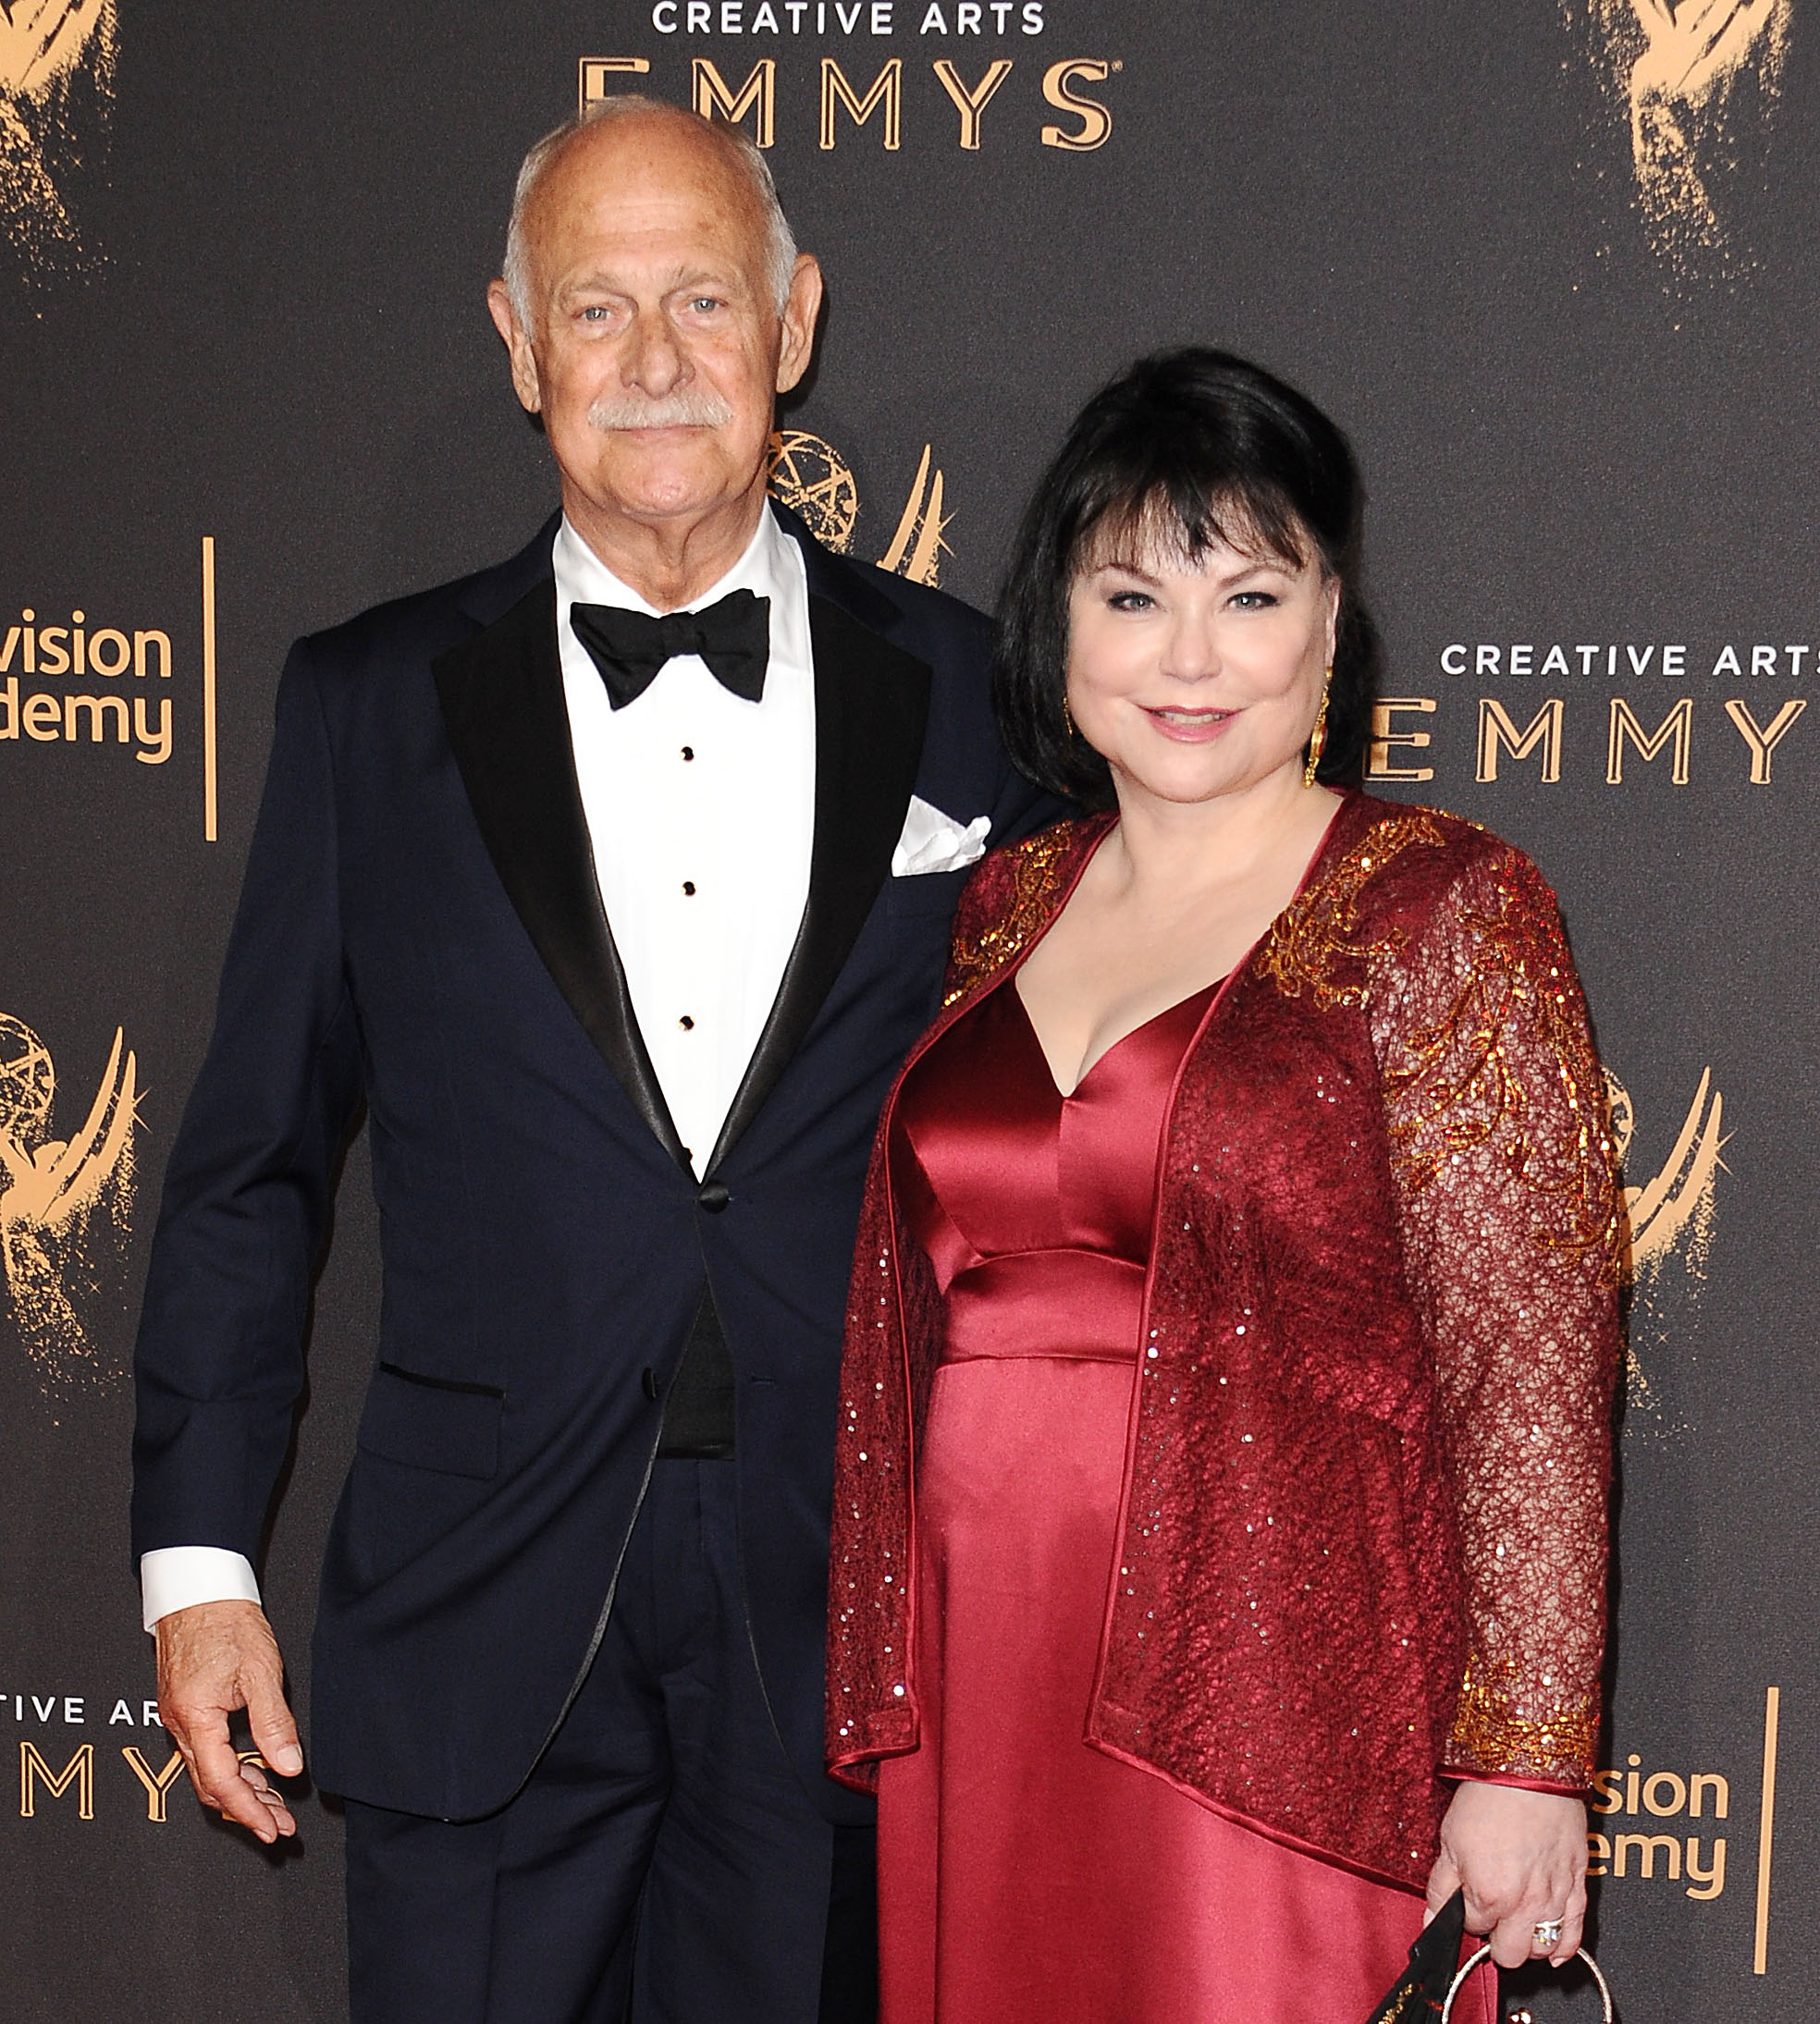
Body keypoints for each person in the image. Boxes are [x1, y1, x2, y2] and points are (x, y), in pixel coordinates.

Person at [130, 96, 1051, 2024]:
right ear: (514, 337)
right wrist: (200, 1562)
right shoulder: (361, 707)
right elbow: (250, 1169)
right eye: (597, 308)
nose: (652, 365)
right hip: (482, 1593)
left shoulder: (983, 695)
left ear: (793, 324)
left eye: (704, 301)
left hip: (845, 1608)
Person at [824, 349, 1621, 2022]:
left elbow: (1529, 1361)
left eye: (1250, 593)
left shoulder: (1442, 910)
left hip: (1275, 1675)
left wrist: (1529, 1753)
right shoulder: (1008, 903)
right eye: (1133, 595)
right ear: (1059, 626)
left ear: (1331, 627)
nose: (1190, 657)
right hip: (989, 1646)